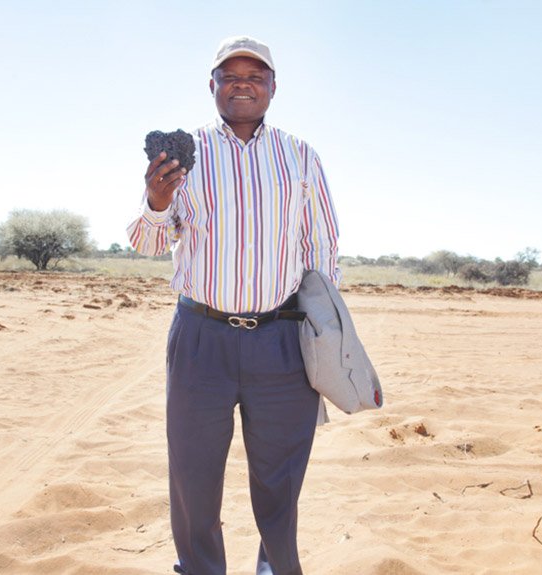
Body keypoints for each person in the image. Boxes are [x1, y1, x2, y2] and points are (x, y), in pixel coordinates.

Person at [127, 35, 340, 575]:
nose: (242, 83)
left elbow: (321, 247)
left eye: (255, 75)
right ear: (213, 86)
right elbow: (147, 243)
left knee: (280, 477)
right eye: (230, 75)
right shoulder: (182, 155)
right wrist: (156, 202)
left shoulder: (300, 156)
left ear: (272, 88)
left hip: (281, 339)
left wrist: (326, 330)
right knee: (194, 476)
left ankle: (275, 568)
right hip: (202, 339)